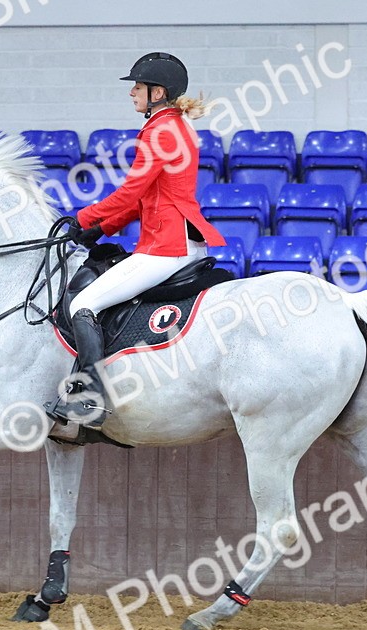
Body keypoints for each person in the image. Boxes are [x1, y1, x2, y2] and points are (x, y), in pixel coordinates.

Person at [45, 52, 226, 429]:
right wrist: (100, 229)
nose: (132, 94)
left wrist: (82, 217)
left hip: (166, 247)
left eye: (137, 88)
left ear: (157, 92)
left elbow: (129, 194)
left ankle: (90, 398)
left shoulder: (160, 132)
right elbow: (145, 200)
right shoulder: (174, 127)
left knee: (84, 304)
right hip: (178, 238)